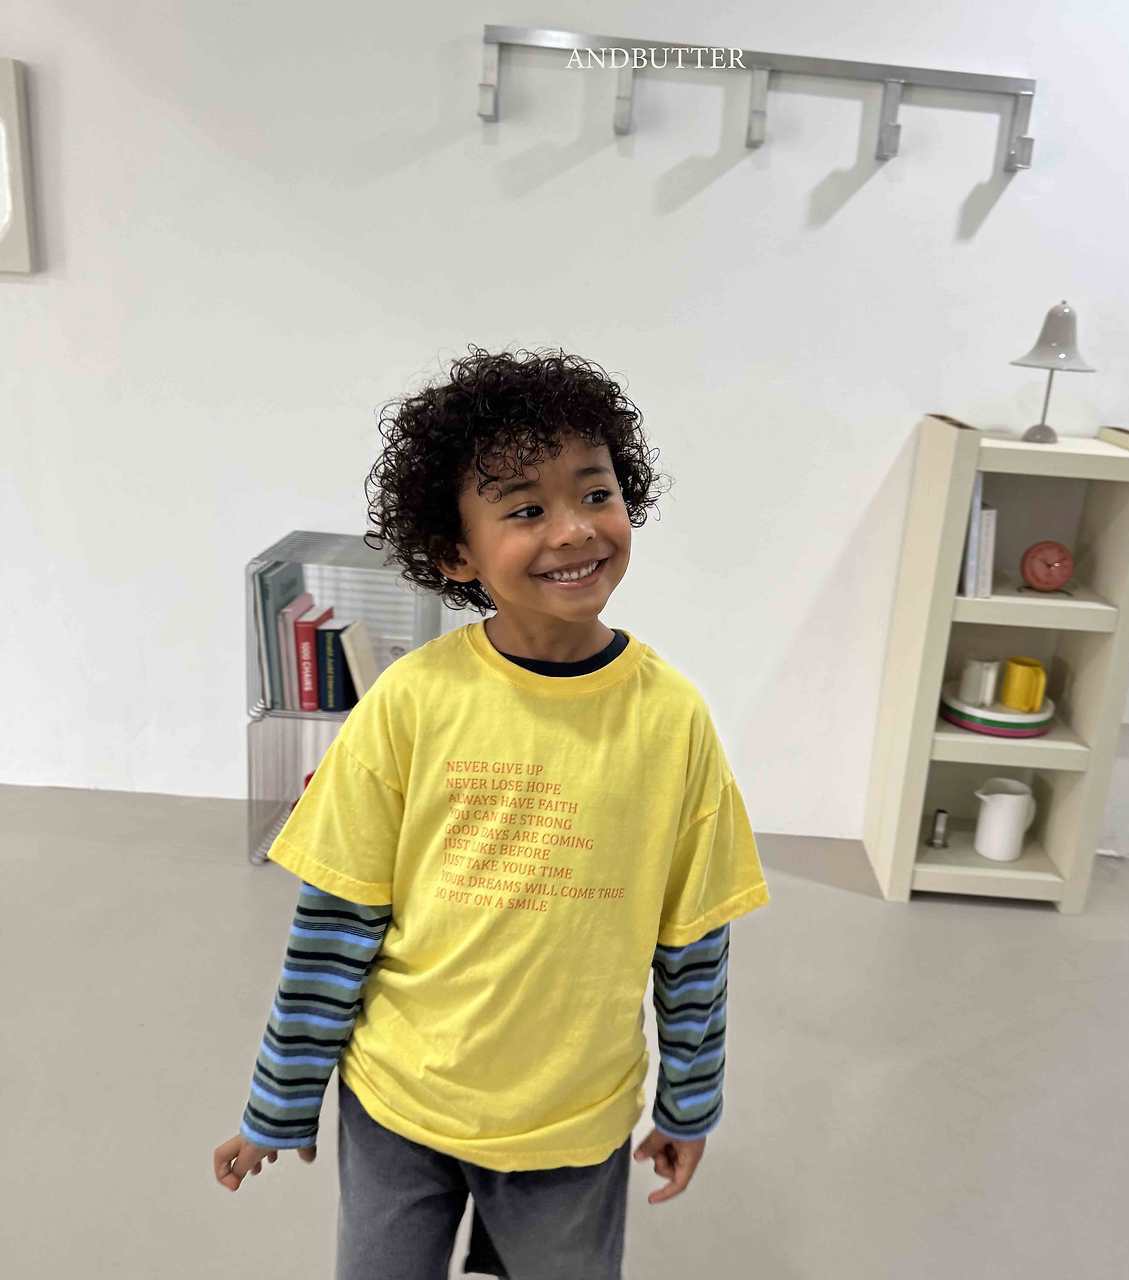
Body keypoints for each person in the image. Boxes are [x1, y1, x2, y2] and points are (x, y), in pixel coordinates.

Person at [211, 345, 771, 1279]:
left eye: (595, 493)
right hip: (401, 1103)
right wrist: (282, 1098)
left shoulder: (672, 718)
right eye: (525, 509)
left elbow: (694, 941)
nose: (574, 531)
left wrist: (689, 1101)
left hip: (572, 1121)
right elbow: (337, 926)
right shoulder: (411, 701)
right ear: (455, 552)